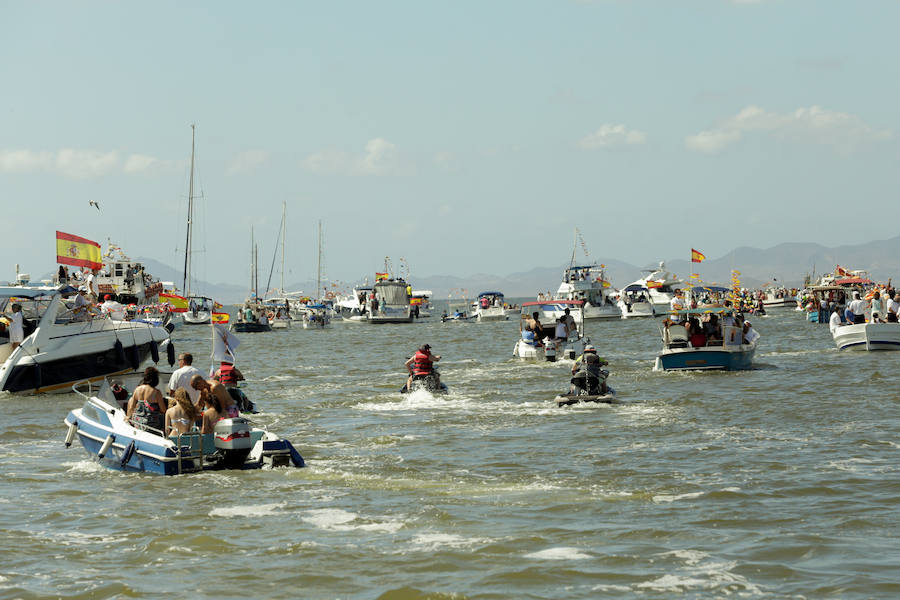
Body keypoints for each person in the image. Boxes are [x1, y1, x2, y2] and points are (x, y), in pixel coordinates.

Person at [126, 367, 167, 432]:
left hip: (138, 424)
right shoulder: (156, 392)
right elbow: (163, 410)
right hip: (151, 425)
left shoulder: (137, 389)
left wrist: (128, 417)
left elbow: (132, 407)